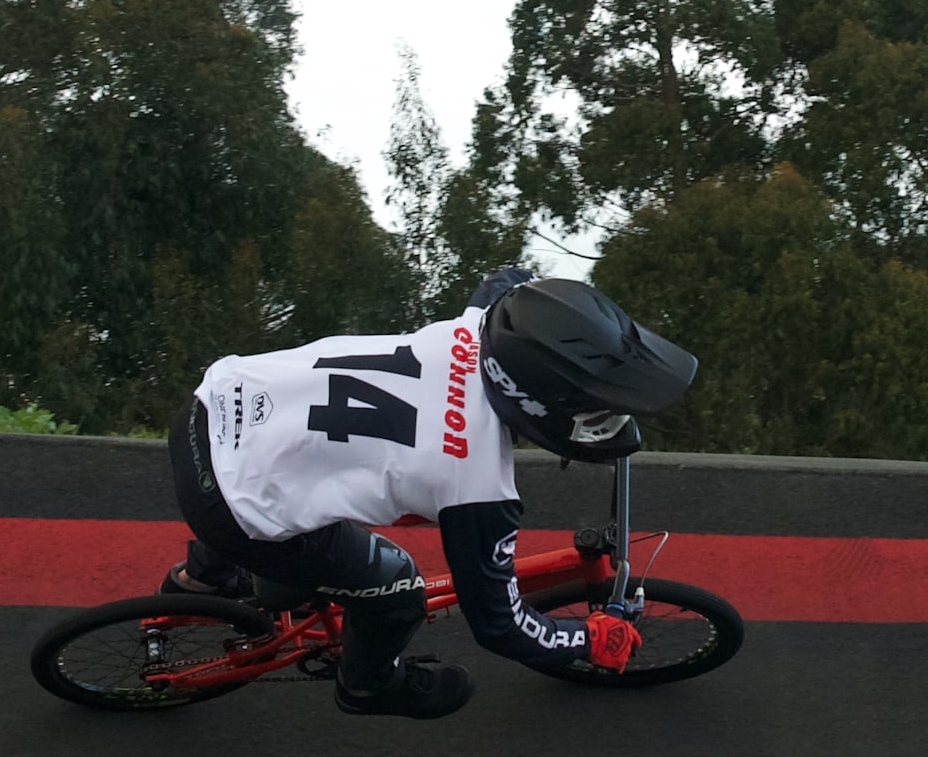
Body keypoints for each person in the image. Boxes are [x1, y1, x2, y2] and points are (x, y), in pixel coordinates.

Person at [162, 267, 697, 719]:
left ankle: (203, 575)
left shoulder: (481, 326)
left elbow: (505, 279)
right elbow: (500, 625)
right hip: (230, 503)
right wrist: (589, 638)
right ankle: (368, 686)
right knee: (399, 591)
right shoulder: (477, 485)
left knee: (299, 484)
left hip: (213, 407)